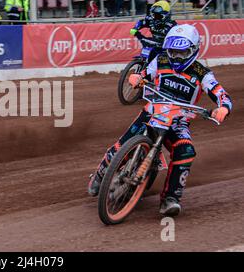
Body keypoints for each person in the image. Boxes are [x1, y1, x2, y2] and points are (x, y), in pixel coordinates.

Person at [88, 24, 232, 216]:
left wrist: (223, 108)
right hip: (152, 110)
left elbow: (220, 94)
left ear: (194, 50)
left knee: (185, 150)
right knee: (122, 143)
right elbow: (145, 73)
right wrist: (137, 77)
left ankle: (170, 198)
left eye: (182, 53)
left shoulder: (203, 74)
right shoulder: (161, 60)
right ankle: (100, 175)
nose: (177, 57)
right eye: (173, 52)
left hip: (179, 119)